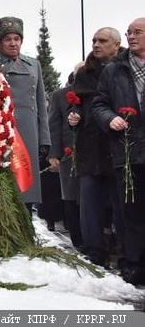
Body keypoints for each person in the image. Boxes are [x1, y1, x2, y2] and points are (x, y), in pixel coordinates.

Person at [62, 28, 123, 268]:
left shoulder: (125, 69)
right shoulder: (85, 74)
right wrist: (73, 115)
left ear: (116, 45)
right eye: (94, 40)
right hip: (90, 145)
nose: (96, 45)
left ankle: (125, 250)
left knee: (122, 204)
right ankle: (94, 251)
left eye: (103, 41)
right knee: (89, 203)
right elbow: (74, 103)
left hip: (119, 144)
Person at [92, 18, 145, 285]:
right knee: (131, 212)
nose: (132, 37)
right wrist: (109, 118)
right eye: (129, 33)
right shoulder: (114, 70)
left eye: (138, 32)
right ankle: (134, 265)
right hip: (128, 152)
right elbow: (99, 104)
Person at [0, 16, 50, 211]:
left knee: (27, 188)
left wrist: (44, 138)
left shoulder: (33, 65)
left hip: (29, 133)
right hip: (2, 132)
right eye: (7, 39)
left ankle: (27, 231)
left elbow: (40, 103)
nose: (13, 43)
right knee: (6, 187)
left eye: (17, 39)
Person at [47, 64, 84, 248]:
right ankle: (77, 240)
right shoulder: (59, 96)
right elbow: (53, 127)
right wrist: (54, 154)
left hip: (92, 154)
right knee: (70, 195)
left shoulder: (96, 92)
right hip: (68, 153)